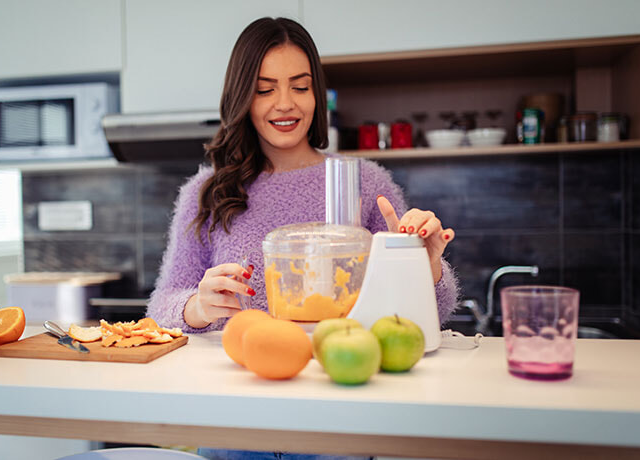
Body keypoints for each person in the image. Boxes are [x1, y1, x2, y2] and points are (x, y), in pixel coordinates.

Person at [147, 17, 459, 460]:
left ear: (317, 95)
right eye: (265, 88)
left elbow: (429, 316)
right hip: (236, 417)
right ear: (242, 97)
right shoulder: (207, 193)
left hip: (342, 414)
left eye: (300, 85)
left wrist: (425, 268)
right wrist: (195, 307)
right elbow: (160, 308)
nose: (285, 104)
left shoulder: (364, 182)